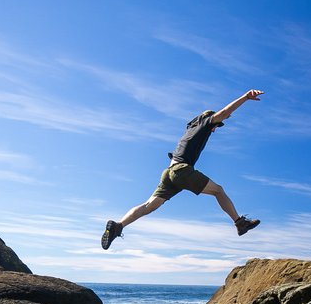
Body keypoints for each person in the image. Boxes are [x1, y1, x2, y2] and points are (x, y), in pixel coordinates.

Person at [101, 89, 264, 250]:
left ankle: (119, 225)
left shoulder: (190, 129)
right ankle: (240, 223)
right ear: (209, 119)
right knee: (219, 191)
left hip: (169, 172)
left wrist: (225, 116)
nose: (215, 129)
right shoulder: (204, 123)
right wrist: (245, 97)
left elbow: (223, 115)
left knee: (148, 206)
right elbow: (224, 112)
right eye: (216, 126)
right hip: (181, 170)